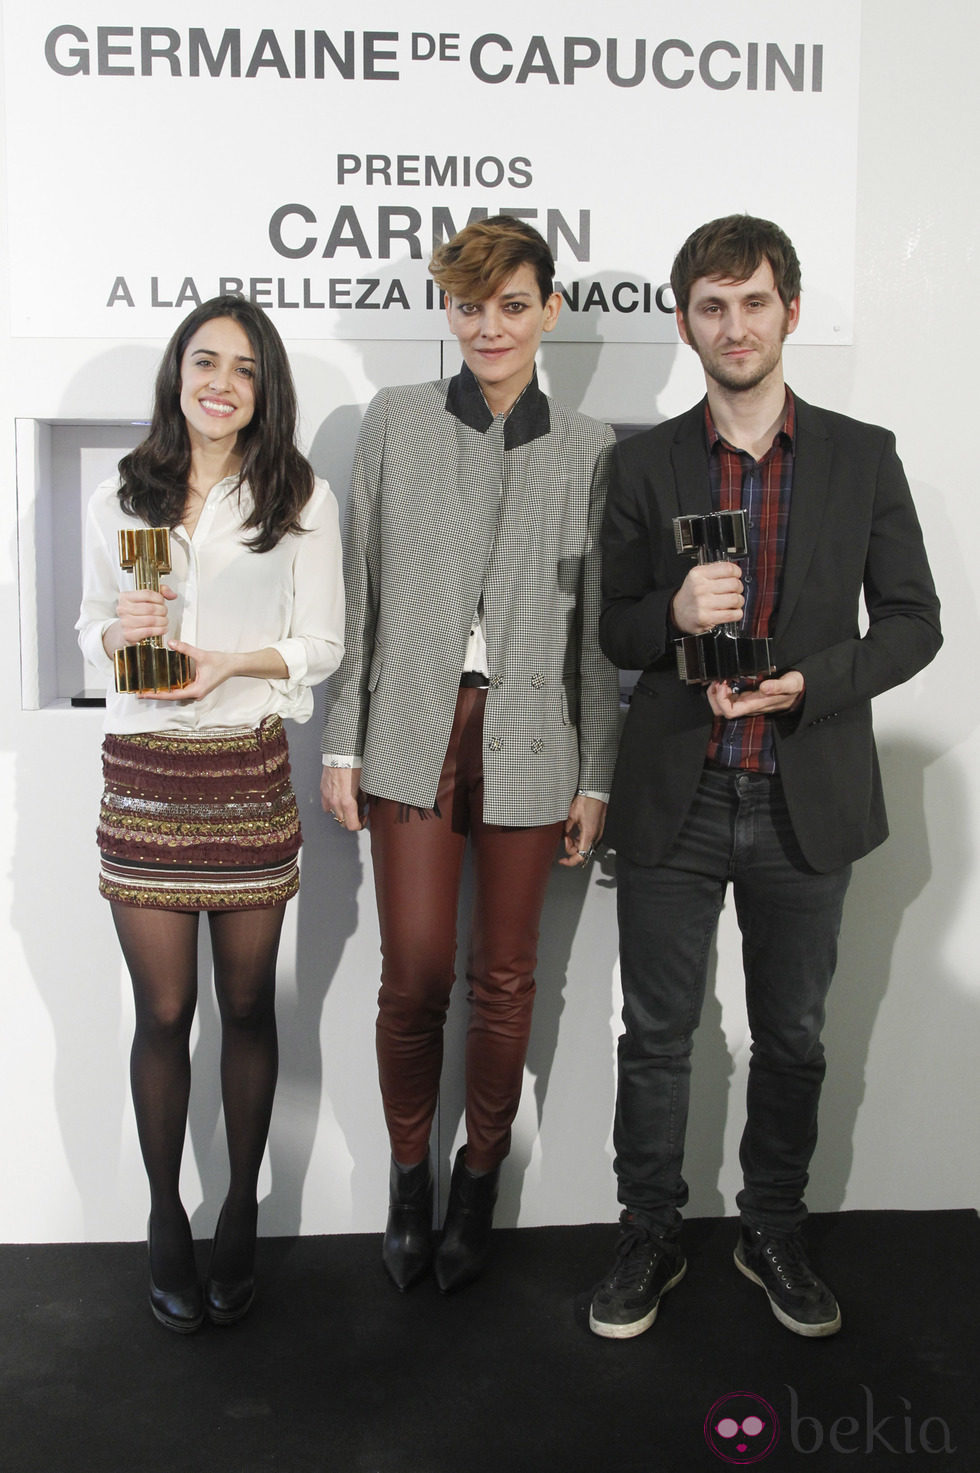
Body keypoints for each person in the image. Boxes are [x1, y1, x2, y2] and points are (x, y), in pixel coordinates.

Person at [589, 215, 941, 1339]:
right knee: (655, 1034)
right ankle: (648, 1229)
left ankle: (771, 1229)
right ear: (683, 322)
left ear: (788, 310)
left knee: (790, 1037)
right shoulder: (640, 463)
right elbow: (612, 630)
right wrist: (670, 615)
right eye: (709, 304)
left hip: (804, 795)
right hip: (675, 797)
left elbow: (912, 625)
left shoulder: (861, 454)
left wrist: (812, 682)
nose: (732, 325)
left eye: (751, 301)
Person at [321, 216, 620, 1293]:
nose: (486, 327)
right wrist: (344, 743)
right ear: (445, 311)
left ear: (547, 309)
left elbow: (593, 628)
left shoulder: (591, 451)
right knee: (413, 976)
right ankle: (409, 1177)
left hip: (536, 734)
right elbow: (359, 594)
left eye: (509, 304)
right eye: (467, 306)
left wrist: (596, 774)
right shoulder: (395, 422)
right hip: (408, 728)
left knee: (506, 979)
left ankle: (477, 1178)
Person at [77, 296, 344, 1332]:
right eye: (203, 361)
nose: (219, 382)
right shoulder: (121, 492)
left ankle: (238, 1208)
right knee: (161, 1014)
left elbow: (320, 644)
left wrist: (230, 659)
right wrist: (115, 634)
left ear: (263, 385)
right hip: (143, 771)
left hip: (244, 770)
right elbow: (89, 619)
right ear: (177, 373)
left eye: (241, 367)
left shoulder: (300, 497)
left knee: (243, 1010)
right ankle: (161, 1216)